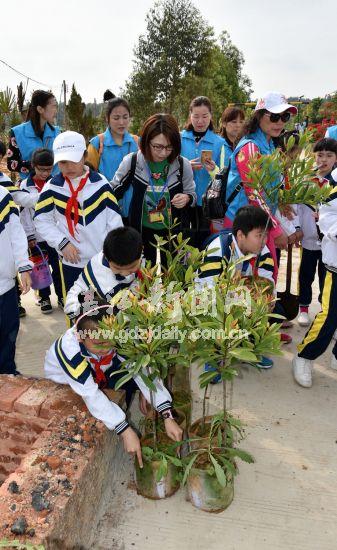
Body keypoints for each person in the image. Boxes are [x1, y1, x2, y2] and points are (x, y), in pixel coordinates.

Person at [44, 303, 183, 466]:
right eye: (98, 343)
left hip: (100, 369)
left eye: (111, 341)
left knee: (130, 374)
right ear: (80, 335)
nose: (107, 347)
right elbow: (89, 393)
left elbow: (143, 371)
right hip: (66, 381)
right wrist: (124, 430)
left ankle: (122, 410)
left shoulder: (118, 337)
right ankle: (118, 421)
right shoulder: (69, 350)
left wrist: (166, 414)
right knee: (94, 403)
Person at [34, 131, 123, 298]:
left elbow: (115, 223)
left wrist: (113, 254)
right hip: (71, 263)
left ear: (84, 155)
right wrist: (62, 243)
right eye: (63, 162)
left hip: (102, 261)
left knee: (104, 309)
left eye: (74, 160)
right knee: (77, 309)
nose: (69, 167)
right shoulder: (52, 188)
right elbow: (41, 220)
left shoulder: (101, 185)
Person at [225, 92, 298, 283]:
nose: (280, 122)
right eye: (274, 116)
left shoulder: (272, 147)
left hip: (262, 224)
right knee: (243, 282)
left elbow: (272, 188)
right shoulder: (250, 147)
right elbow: (254, 193)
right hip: (243, 227)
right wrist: (276, 230)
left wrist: (283, 204)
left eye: (285, 117)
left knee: (264, 280)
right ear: (259, 116)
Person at [197, 205, 276, 369]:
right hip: (208, 298)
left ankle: (250, 348)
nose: (264, 241)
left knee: (264, 299)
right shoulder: (218, 250)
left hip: (235, 294)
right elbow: (206, 291)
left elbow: (267, 283)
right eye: (259, 235)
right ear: (240, 235)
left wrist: (267, 300)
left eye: (266, 235)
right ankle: (213, 354)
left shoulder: (263, 251)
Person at [111, 113, 196, 265]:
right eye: (157, 147)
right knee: (143, 277)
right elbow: (112, 191)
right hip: (141, 230)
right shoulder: (133, 161)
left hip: (173, 232)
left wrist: (187, 198)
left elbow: (192, 194)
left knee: (173, 277)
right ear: (145, 142)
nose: (163, 153)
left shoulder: (183, 165)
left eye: (169, 147)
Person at [292, 172, 337, 387]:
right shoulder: (332, 186)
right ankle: (304, 355)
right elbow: (326, 222)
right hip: (335, 265)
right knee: (329, 316)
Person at [297, 138, 337, 326]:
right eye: (320, 155)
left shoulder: (335, 181)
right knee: (305, 274)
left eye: (329, 155)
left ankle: (324, 310)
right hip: (308, 238)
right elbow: (295, 207)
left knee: (325, 277)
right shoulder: (306, 178)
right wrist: (297, 229)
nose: (324, 159)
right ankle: (303, 307)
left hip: (330, 242)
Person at [19, 148, 64, 313]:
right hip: (36, 238)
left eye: (49, 169)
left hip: (54, 235)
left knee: (58, 267)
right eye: (41, 169)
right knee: (40, 269)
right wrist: (29, 235)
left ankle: (61, 296)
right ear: (33, 166)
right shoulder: (25, 186)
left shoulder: (57, 183)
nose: (45, 173)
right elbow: (24, 214)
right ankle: (44, 297)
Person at [65, 226, 143, 319]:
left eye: (131, 268)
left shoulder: (136, 254)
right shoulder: (98, 278)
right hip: (91, 317)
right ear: (106, 257)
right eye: (117, 269)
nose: (125, 273)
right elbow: (73, 302)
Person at [181, 96, 225, 248]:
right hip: (184, 199)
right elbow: (169, 165)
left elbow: (226, 173)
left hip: (208, 203)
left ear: (211, 116)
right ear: (190, 116)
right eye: (196, 116)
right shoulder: (179, 139)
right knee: (184, 240)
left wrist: (214, 170)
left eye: (205, 116)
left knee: (206, 241)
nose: (200, 121)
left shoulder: (219, 143)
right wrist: (185, 165)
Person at [0, 186, 32, 374]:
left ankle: (8, 374)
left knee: (9, 332)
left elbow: (16, 234)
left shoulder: (2, 196)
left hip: (5, 285)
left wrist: (24, 266)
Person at [7, 90, 60, 180]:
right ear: (40, 109)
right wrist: (34, 166)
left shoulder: (57, 132)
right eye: (53, 106)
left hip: (54, 186)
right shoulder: (17, 132)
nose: (56, 111)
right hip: (28, 187)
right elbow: (11, 164)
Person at [87, 98, 138, 181]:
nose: (121, 122)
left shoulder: (137, 142)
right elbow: (86, 176)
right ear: (107, 118)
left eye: (125, 117)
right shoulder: (97, 144)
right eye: (116, 118)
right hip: (105, 193)